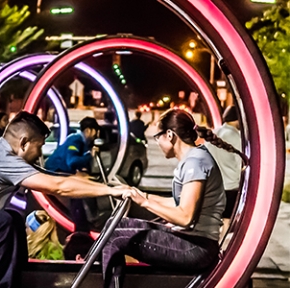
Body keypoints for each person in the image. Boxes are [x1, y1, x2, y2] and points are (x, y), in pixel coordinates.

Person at [0, 111, 131, 288]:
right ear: (24, 143)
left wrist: (109, 187)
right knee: (2, 223)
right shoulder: (4, 162)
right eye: (39, 146)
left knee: (14, 219)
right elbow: (58, 187)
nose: (40, 154)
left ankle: (21, 278)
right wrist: (110, 191)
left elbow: (57, 178)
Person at [101, 109, 246, 288]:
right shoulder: (193, 158)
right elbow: (178, 202)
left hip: (196, 248)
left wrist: (145, 202)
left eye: (157, 137)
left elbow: (185, 216)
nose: (158, 143)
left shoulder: (196, 162)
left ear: (170, 135)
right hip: (193, 242)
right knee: (115, 225)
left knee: (114, 236)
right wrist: (140, 194)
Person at [44, 117, 101, 233]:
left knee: (81, 193)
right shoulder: (76, 140)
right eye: (96, 131)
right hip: (55, 173)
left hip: (62, 173)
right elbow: (72, 161)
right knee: (77, 195)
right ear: (89, 130)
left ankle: (84, 224)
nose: (97, 136)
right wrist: (90, 156)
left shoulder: (82, 142)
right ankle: (81, 228)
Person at [205, 106, 242, 239]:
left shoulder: (216, 133)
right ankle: (221, 249)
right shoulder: (235, 136)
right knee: (227, 222)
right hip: (230, 186)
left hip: (214, 186)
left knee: (214, 222)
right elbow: (240, 164)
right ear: (238, 119)